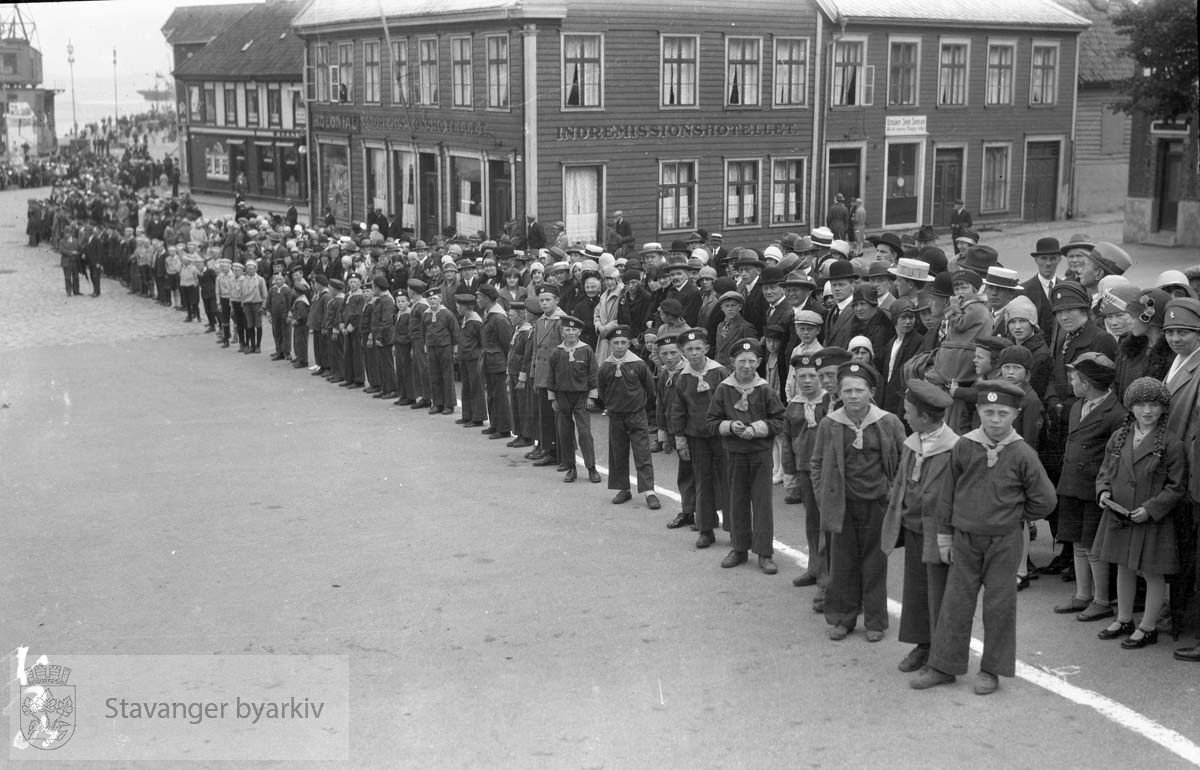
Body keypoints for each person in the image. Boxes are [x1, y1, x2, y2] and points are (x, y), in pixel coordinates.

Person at [910, 380, 1056, 695]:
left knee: (999, 605)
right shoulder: (965, 445)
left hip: (1004, 542)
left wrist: (1016, 515)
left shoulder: (1022, 453)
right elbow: (947, 493)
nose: (994, 419)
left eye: (1002, 413)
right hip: (964, 539)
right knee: (955, 602)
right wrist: (945, 537)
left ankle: (992, 669)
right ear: (977, 410)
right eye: (988, 411)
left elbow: (1046, 499)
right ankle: (944, 665)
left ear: (1015, 414)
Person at [812, 362, 906, 641]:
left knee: (875, 564)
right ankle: (843, 618)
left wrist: (892, 494)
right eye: (847, 390)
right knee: (842, 565)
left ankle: (876, 622)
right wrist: (823, 497)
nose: (853, 396)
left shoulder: (888, 422)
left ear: (871, 392)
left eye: (859, 390)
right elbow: (816, 463)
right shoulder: (830, 424)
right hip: (842, 506)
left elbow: (904, 461)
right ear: (839, 393)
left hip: (877, 505)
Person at [1092, 377, 1187, 649]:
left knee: (1151, 572)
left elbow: (1176, 486)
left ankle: (1148, 626)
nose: (1147, 411)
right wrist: (1103, 492)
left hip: (1150, 518)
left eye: (1154, 405)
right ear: (1131, 407)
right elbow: (1105, 471)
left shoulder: (1172, 443)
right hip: (1120, 514)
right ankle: (1124, 619)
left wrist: (1151, 509)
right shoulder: (1120, 437)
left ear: (1163, 409)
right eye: (1141, 405)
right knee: (1123, 565)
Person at [880, 380, 959, 673]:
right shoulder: (914, 442)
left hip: (938, 535)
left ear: (925, 417)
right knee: (916, 592)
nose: (904, 416)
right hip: (913, 529)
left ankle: (942, 658)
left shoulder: (955, 449)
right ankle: (923, 645)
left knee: (940, 596)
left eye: (909, 412)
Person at [706, 338, 786, 574]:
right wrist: (730, 427)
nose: (747, 366)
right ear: (732, 362)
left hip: (760, 456)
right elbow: (711, 421)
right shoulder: (724, 389)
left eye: (752, 361)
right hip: (734, 455)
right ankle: (739, 548)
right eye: (742, 361)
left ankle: (764, 552)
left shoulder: (764, 389)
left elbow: (779, 420)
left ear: (759, 362)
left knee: (762, 503)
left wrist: (756, 429)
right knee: (736, 501)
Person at [781, 351, 833, 589]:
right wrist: (789, 473)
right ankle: (814, 568)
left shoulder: (829, 402)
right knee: (812, 521)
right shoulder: (794, 406)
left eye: (812, 375)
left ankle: (828, 574)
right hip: (804, 470)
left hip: (827, 471)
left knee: (828, 523)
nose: (808, 381)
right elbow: (788, 441)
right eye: (802, 376)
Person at [670, 328, 728, 544]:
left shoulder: (720, 372)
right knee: (702, 481)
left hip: (720, 435)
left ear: (706, 348)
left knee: (727, 479)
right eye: (689, 349)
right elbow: (678, 409)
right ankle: (706, 529)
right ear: (682, 352)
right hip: (696, 437)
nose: (694, 353)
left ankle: (734, 527)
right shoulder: (683, 378)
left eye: (698, 348)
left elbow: (729, 401)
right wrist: (680, 438)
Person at [599, 325, 658, 507]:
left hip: (636, 415)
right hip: (616, 416)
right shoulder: (606, 366)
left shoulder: (638, 364)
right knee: (618, 452)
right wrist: (611, 406)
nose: (619, 346)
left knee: (642, 453)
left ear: (628, 344)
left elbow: (650, 388)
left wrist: (641, 407)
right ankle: (623, 488)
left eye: (623, 342)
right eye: (615, 343)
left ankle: (649, 491)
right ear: (609, 344)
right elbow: (602, 390)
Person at [547, 315, 601, 483]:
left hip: (581, 397)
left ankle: (591, 468)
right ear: (562, 332)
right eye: (567, 330)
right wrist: (553, 398)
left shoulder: (586, 350)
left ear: (580, 332)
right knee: (565, 433)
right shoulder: (557, 351)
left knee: (585, 433)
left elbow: (593, 374)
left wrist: (592, 397)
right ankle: (570, 467)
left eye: (574, 330)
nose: (570, 333)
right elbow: (551, 376)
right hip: (562, 397)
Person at [528, 284, 567, 466]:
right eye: (541, 300)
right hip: (542, 374)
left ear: (556, 301)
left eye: (547, 300)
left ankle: (558, 452)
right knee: (544, 414)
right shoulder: (540, 321)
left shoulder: (562, 321)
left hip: (555, 375)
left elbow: (565, 350)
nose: (544, 304)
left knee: (557, 415)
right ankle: (548, 448)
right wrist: (533, 372)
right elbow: (536, 350)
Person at [477, 284, 513, 438]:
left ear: (486, 299)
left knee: (500, 396)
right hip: (490, 361)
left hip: (499, 363)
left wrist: (507, 366)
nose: (477, 300)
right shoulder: (491, 315)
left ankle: (503, 428)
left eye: (479, 297)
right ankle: (495, 424)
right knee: (491, 394)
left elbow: (507, 343)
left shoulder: (499, 318)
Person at [423, 288, 459, 415]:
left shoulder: (447, 314)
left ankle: (449, 404)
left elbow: (455, 331)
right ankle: (437, 403)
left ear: (440, 299)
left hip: (445, 347)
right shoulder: (426, 314)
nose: (432, 301)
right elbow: (424, 331)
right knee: (434, 375)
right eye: (430, 299)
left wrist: (455, 349)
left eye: (435, 298)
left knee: (447, 376)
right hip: (432, 347)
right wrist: (425, 346)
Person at [454, 294, 486, 427]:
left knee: (476, 387)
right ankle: (467, 415)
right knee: (466, 387)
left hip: (474, 358)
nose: (457, 308)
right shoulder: (465, 319)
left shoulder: (475, 321)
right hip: (465, 358)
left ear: (464, 307)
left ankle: (478, 417)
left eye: (458, 306)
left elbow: (482, 341)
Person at [369, 277, 397, 398]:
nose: (372, 289)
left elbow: (386, 322)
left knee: (387, 364)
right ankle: (385, 388)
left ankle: (393, 389)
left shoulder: (386, 301)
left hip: (385, 337)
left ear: (378, 287)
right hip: (379, 335)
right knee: (381, 363)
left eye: (373, 287)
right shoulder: (380, 300)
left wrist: (380, 337)